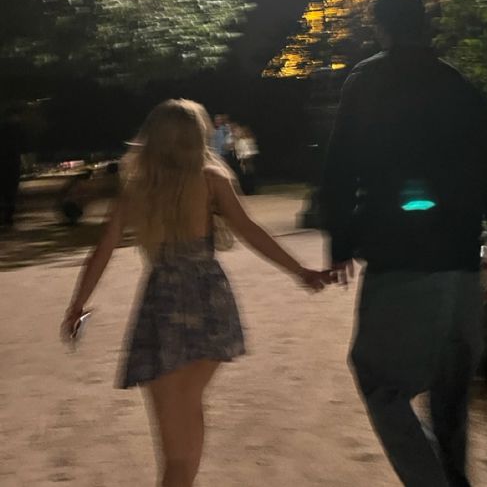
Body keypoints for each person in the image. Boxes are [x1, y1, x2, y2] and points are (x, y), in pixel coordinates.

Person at [62, 99, 328, 487]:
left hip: (162, 308)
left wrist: (77, 304)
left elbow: (102, 249)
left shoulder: (138, 187)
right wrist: (299, 271)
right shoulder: (210, 179)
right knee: (188, 416)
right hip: (208, 302)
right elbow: (250, 231)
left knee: (176, 449)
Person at [321, 0, 487, 487]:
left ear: (380, 27)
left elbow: (341, 167)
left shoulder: (367, 82)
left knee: (380, 382)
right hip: (462, 263)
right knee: (451, 402)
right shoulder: (459, 85)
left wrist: (341, 243)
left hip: (401, 258)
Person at [231, 123, 259, 195]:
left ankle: (249, 190)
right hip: (242, 158)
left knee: (247, 174)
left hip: (246, 158)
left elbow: (248, 152)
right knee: (245, 175)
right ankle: (246, 190)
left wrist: (244, 160)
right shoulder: (238, 141)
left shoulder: (246, 140)